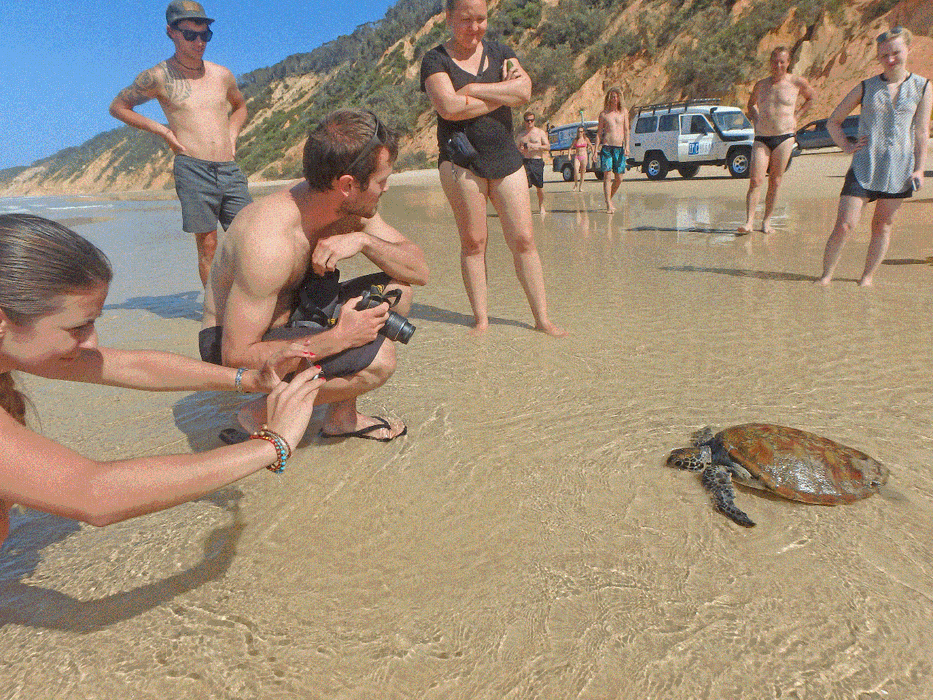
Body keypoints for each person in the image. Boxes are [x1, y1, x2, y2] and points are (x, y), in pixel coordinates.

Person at [0, 213, 325, 546]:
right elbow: (94, 494)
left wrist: (251, 379)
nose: (92, 341)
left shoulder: (13, 349)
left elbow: (134, 367)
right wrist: (273, 445)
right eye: (76, 327)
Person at [201, 108, 428, 443]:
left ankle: (341, 418)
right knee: (380, 360)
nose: (386, 189)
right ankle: (260, 412)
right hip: (238, 341)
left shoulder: (347, 207)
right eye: (381, 181)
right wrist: (337, 340)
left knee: (398, 291)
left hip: (295, 316)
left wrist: (364, 240)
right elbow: (234, 357)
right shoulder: (269, 243)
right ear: (348, 185)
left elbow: (418, 270)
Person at [420, 0, 565, 337]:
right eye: (466, 20)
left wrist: (472, 90)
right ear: (449, 18)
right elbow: (449, 108)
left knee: (524, 239)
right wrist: (504, 94)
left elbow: (525, 90)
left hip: (506, 158)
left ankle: (542, 319)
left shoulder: (503, 52)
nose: (475, 28)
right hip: (461, 160)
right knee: (473, 242)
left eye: (481, 19)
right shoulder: (435, 60)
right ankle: (481, 319)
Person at [109, 1, 251, 286]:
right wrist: (163, 131)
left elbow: (240, 107)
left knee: (249, 235)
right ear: (171, 32)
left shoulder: (222, 74)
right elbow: (119, 107)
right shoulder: (158, 76)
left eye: (205, 35)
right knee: (208, 243)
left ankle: (250, 300)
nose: (199, 42)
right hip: (193, 167)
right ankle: (215, 313)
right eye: (190, 35)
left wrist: (232, 136)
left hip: (229, 168)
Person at [817, 27, 931, 287]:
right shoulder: (866, 86)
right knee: (845, 225)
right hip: (863, 165)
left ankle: (866, 278)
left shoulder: (923, 86)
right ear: (879, 57)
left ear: (908, 50)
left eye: (896, 53)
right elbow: (834, 121)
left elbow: (922, 131)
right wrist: (846, 146)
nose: (890, 59)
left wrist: (920, 168)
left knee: (882, 225)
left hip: (900, 169)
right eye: (884, 55)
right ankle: (825, 277)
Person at [739, 46, 815, 234]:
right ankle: (749, 222)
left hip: (785, 136)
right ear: (770, 63)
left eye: (782, 62)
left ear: (788, 63)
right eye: (774, 62)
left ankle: (766, 222)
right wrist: (755, 118)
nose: (778, 65)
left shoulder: (796, 82)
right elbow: (751, 104)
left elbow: (811, 98)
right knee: (756, 180)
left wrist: (797, 116)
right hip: (762, 137)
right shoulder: (761, 85)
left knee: (775, 180)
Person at [595, 87, 630, 214]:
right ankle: (609, 204)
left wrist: (627, 146)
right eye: (612, 97)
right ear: (608, 98)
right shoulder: (603, 114)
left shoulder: (624, 112)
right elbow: (599, 133)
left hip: (619, 148)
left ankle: (608, 198)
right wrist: (595, 150)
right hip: (607, 147)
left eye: (616, 96)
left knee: (619, 178)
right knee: (607, 176)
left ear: (619, 98)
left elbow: (626, 130)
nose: (614, 99)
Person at [515, 111, 550, 214]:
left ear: (534, 121)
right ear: (524, 122)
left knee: (539, 187)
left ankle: (541, 206)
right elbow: (515, 149)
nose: (529, 122)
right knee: (523, 186)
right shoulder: (521, 135)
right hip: (525, 162)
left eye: (531, 120)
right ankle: (525, 208)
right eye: (527, 120)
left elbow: (548, 147)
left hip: (536, 161)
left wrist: (536, 147)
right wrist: (521, 149)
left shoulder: (540, 133)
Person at [571, 126, 592, 192]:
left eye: (581, 131)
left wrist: (594, 154)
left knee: (583, 172)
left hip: (584, 156)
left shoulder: (586, 139)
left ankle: (581, 186)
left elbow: (591, 146)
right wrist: (569, 154)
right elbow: (570, 148)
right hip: (577, 156)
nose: (580, 133)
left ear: (583, 132)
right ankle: (576, 184)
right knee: (576, 171)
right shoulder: (575, 140)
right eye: (578, 131)